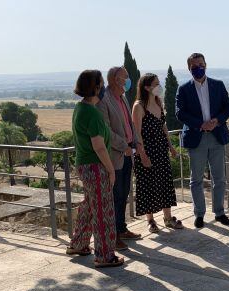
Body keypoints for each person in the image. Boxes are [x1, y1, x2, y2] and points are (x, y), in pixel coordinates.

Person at [66, 69, 124, 268]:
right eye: (101, 84)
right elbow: (99, 146)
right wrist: (110, 170)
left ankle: (78, 244)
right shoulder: (93, 113)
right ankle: (105, 255)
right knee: (103, 211)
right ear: (96, 87)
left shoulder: (80, 108)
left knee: (89, 207)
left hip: (84, 165)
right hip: (95, 167)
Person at [176, 53, 229, 228]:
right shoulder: (183, 89)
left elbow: (228, 107)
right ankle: (199, 214)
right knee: (196, 179)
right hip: (196, 137)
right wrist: (201, 124)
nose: (198, 68)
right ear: (189, 68)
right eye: (194, 66)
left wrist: (216, 121)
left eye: (200, 64)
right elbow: (180, 113)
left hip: (216, 136)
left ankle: (219, 212)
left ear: (206, 65)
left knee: (219, 178)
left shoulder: (218, 85)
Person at [96, 66, 142, 250]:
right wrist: (124, 146)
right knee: (114, 197)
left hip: (128, 154)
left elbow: (129, 124)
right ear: (116, 79)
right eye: (126, 77)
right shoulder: (104, 100)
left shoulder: (122, 97)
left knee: (123, 194)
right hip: (115, 156)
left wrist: (136, 143)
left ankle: (122, 229)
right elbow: (106, 131)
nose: (129, 80)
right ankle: (113, 236)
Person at [132, 73, 183, 232]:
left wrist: (171, 146)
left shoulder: (158, 103)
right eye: (156, 83)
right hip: (147, 151)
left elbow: (163, 126)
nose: (159, 86)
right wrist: (142, 154)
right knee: (148, 185)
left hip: (161, 150)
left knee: (165, 183)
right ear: (147, 87)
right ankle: (150, 220)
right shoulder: (138, 106)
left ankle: (168, 218)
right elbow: (137, 133)